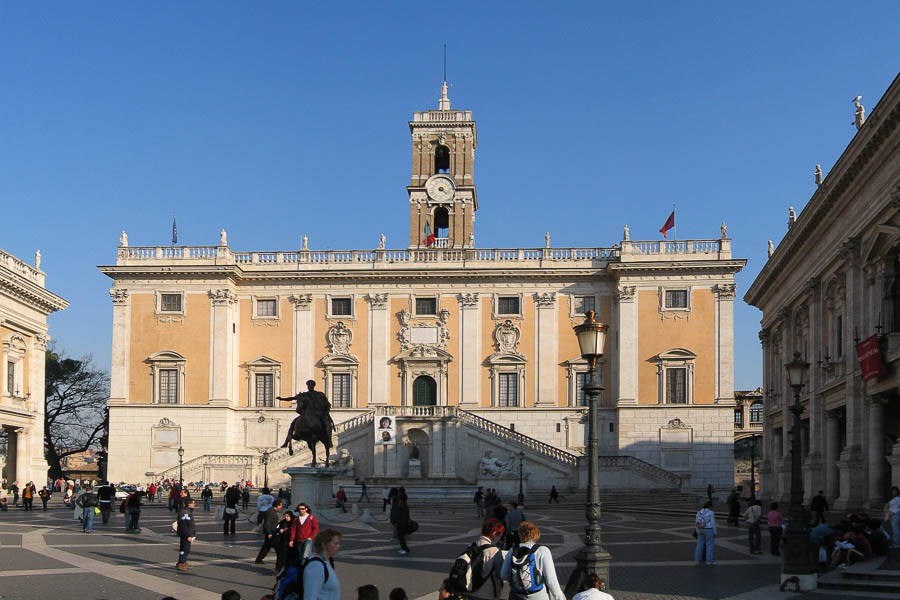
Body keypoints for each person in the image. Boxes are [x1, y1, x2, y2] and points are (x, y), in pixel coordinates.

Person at [501, 521, 565, 600]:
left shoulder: (512, 550)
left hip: (516, 595)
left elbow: (503, 574)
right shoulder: (543, 550)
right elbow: (551, 578)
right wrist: (558, 596)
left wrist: (517, 580)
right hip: (538, 596)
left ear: (520, 534)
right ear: (536, 535)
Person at [469, 517, 505, 599]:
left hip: (470, 590)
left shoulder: (472, 546)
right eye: (500, 535)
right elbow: (501, 573)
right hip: (487, 593)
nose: (500, 539)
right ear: (494, 533)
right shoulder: (495, 552)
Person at [304, 529, 342, 600]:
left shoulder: (327, 562)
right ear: (324, 545)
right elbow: (310, 596)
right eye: (335, 543)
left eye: (339, 543)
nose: (338, 546)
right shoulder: (316, 566)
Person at [255, 498, 284, 564]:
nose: (281, 507)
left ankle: (259, 559)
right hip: (271, 532)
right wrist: (269, 533)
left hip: (271, 531)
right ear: (277, 505)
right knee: (277, 547)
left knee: (266, 546)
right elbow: (267, 523)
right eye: (281, 505)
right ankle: (281, 561)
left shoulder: (272, 511)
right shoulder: (270, 512)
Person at [175, 497, 196, 571]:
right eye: (193, 503)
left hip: (183, 533)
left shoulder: (185, 511)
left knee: (182, 549)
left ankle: (181, 561)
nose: (194, 505)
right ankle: (182, 563)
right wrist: (188, 535)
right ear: (189, 504)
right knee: (185, 549)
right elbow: (185, 526)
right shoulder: (186, 513)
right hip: (186, 534)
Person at [694, 500, 717, 565]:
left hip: (700, 529)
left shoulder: (698, 512)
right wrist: (715, 532)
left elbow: (696, 523)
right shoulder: (711, 512)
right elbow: (713, 523)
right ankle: (709, 561)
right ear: (710, 506)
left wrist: (697, 531)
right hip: (709, 529)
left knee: (699, 545)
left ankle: (697, 560)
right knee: (710, 545)